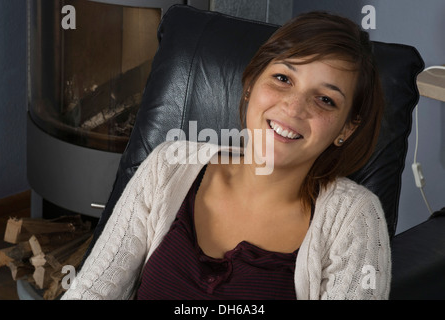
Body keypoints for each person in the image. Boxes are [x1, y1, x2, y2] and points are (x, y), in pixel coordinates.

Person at [61, 11, 390, 300]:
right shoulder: (168, 165)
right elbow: (91, 291)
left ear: (347, 128)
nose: (294, 107)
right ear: (250, 83)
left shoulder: (354, 219)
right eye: (282, 78)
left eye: (325, 100)